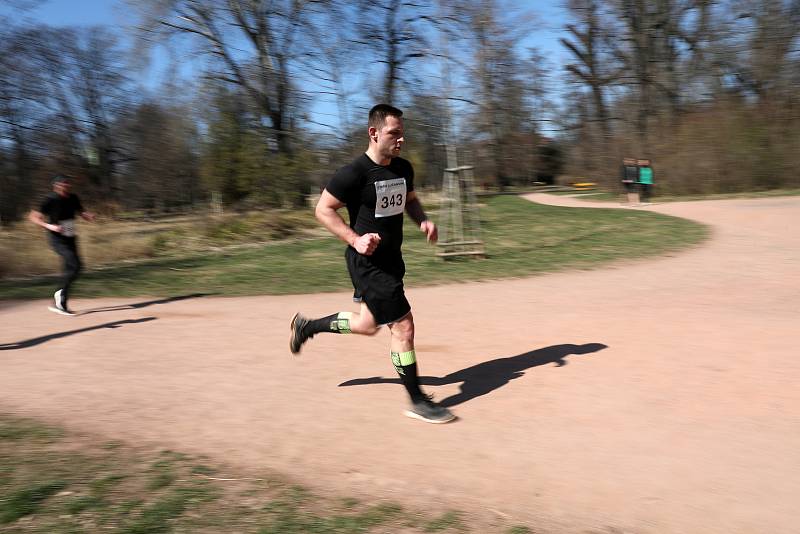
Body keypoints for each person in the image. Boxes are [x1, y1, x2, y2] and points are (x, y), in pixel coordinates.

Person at [289, 104, 456, 424]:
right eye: (394, 133)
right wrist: (355, 240)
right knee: (403, 326)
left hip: (392, 260)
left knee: (367, 326)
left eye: (402, 134)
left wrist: (423, 221)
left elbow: (410, 200)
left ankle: (306, 326)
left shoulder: (403, 168)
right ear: (373, 133)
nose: (400, 140)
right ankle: (417, 400)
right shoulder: (354, 173)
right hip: (368, 264)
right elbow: (323, 210)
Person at [29, 175, 96, 315]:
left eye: (68, 184)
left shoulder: (73, 198)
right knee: (75, 265)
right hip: (56, 238)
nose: (67, 186)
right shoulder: (50, 199)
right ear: (56, 186)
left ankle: (59, 303)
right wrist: (49, 226)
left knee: (71, 270)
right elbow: (33, 217)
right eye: (64, 184)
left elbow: (81, 211)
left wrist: (88, 216)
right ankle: (59, 298)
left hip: (71, 237)